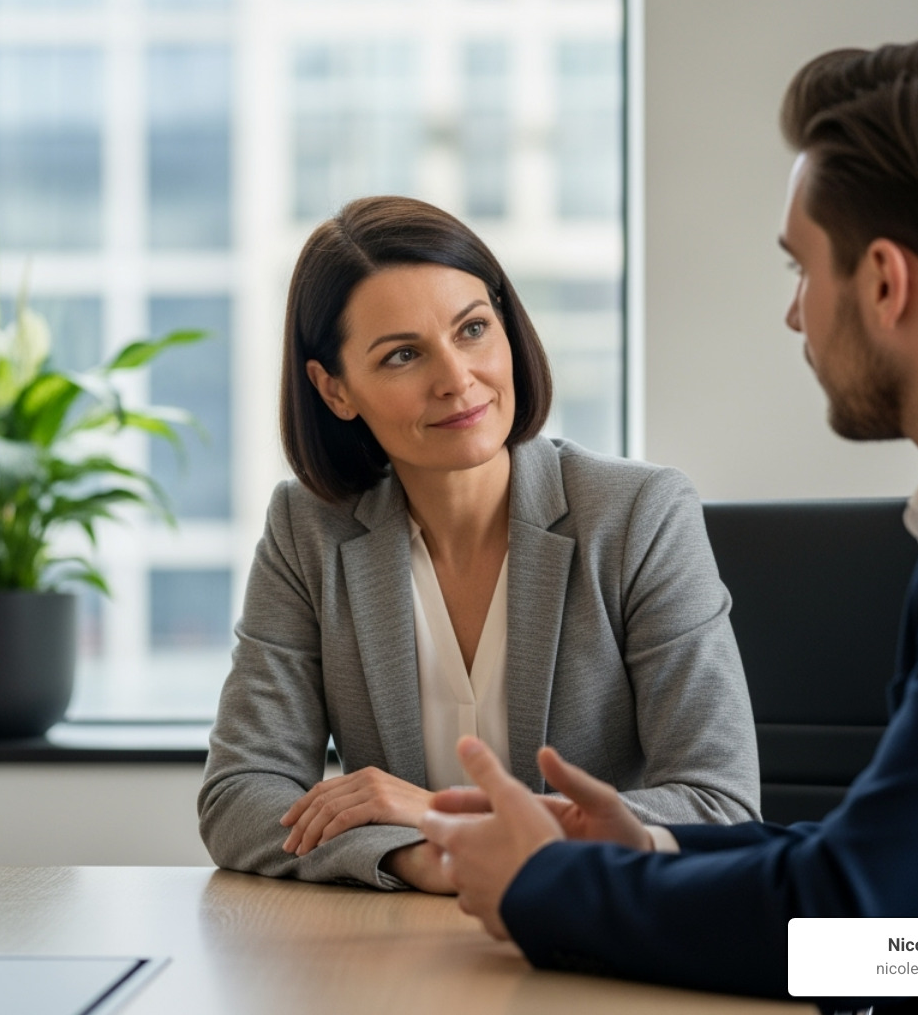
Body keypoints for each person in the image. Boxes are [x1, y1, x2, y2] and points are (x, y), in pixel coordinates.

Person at [419, 35, 918, 1012]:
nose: (794, 317)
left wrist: (546, 888)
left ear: (887, 282)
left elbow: (865, 923)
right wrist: (655, 847)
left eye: (801, 270)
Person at [198, 195, 760, 893]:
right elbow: (240, 797)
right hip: (403, 953)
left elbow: (720, 808)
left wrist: (442, 818)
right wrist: (414, 856)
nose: (457, 380)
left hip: (608, 938)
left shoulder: (638, 515)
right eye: (403, 355)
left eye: (472, 330)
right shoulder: (308, 530)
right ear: (335, 389)